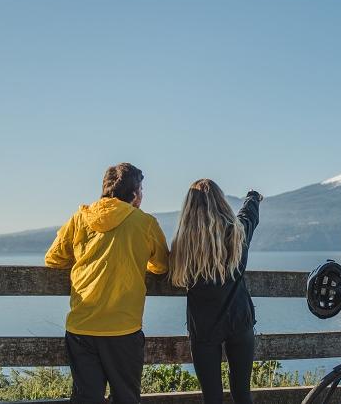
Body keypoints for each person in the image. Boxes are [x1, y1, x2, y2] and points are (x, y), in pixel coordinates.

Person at [45, 163, 169, 404]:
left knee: (86, 398)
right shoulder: (145, 223)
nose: (142, 195)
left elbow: (53, 258)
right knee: (126, 397)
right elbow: (161, 266)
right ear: (134, 195)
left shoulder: (80, 218)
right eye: (141, 190)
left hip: (82, 327)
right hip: (123, 328)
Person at [168, 179, 262, 404]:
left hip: (203, 328)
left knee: (211, 398)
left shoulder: (183, 244)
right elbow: (249, 216)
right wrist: (253, 196)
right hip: (239, 321)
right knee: (242, 393)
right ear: (221, 203)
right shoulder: (237, 235)